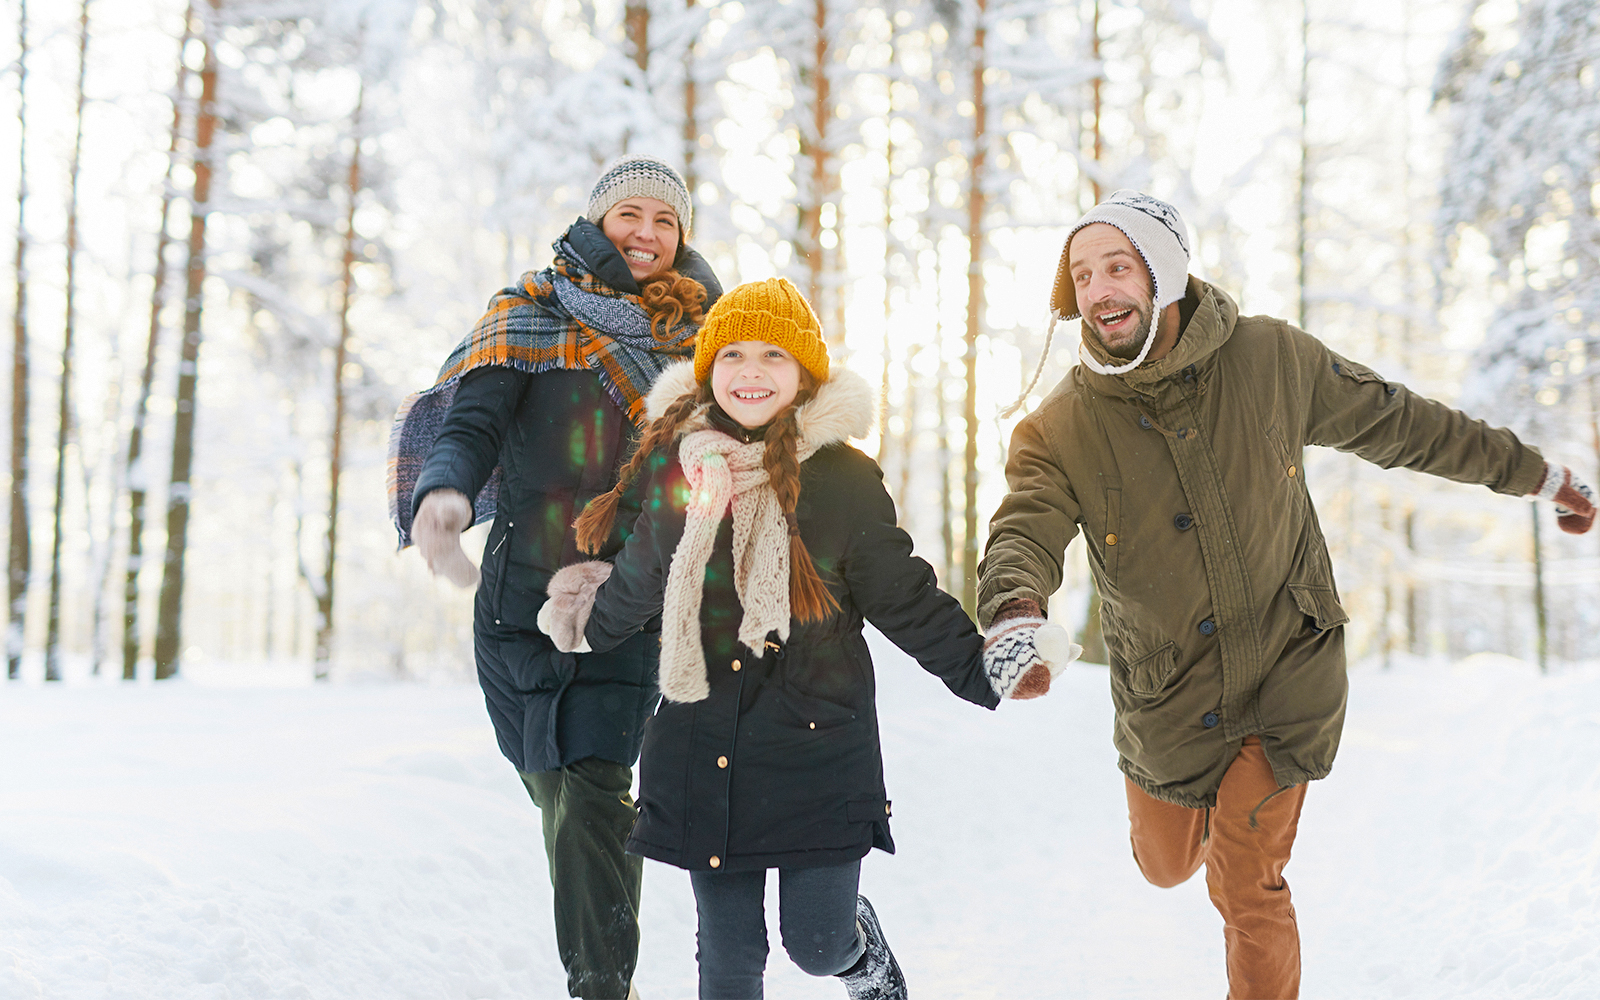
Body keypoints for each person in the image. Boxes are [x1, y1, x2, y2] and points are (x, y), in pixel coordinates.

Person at [975, 189, 1597, 1000]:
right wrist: (1015, 611)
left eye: (1117, 267)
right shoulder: (1060, 426)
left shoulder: (1271, 359)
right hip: (1167, 690)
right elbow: (1025, 526)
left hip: (1286, 665)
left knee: (1245, 878)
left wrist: (1541, 477)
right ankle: (1189, 818)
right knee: (1167, 867)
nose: (1098, 291)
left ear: (1163, 273)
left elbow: (1407, 424)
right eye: (1082, 275)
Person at [534, 277, 1072, 1000]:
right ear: (707, 372)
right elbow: (642, 576)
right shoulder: (682, 469)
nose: (750, 373)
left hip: (816, 745)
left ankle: (863, 957)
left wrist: (985, 669)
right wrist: (580, 630)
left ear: (804, 375)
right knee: (729, 959)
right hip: (705, 742)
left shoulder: (842, 481)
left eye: (772, 357)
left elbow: (902, 595)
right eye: (732, 356)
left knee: (816, 943)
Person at [388, 153, 723, 1000]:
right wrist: (446, 494)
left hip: (627, 603)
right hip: (515, 604)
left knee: (597, 792)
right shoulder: (527, 316)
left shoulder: (705, 341)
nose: (646, 236)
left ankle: (602, 987)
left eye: (665, 222)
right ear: (597, 222)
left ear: (682, 237)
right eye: (630, 217)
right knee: (556, 793)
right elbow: (471, 424)